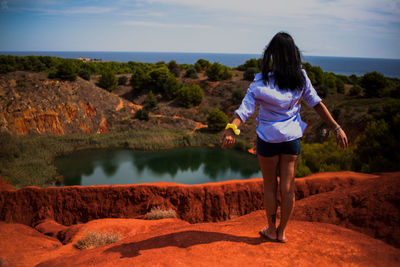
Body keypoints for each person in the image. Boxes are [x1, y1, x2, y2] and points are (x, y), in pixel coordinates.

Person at [220, 32, 348, 243]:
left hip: (267, 140)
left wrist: (230, 130)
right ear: (293, 54)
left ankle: (271, 229)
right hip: (291, 140)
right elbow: (317, 104)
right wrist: (336, 128)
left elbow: (244, 111)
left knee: (270, 186)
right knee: (288, 188)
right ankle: (282, 232)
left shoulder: (261, 82)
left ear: (272, 55)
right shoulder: (300, 78)